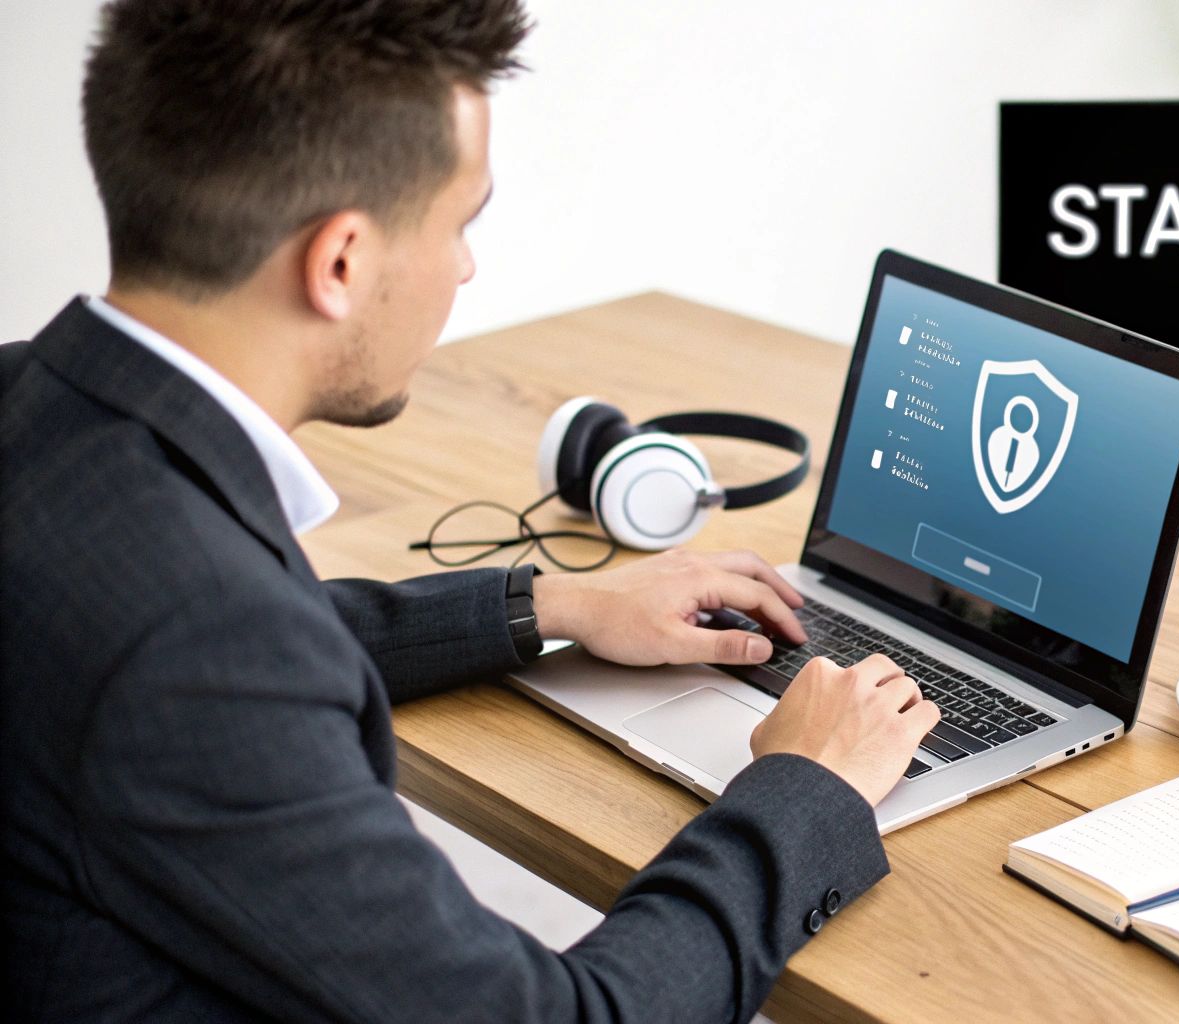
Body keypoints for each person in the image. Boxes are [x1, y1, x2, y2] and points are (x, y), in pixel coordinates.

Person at [0, 1, 940, 1020]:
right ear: (342, 262)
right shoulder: (195, 651)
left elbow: (219, 635)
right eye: (461, 222)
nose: (465, 267)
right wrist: (805, 788)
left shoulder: (36, 410)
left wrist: (550, 606)